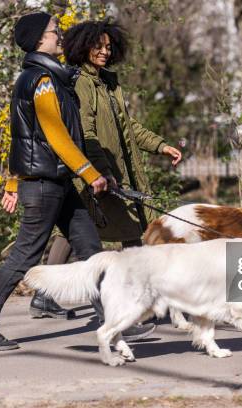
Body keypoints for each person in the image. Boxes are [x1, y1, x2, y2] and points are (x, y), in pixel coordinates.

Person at [0, 13, 151, 351]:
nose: (60, 35)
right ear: (39, 40)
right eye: (55, 31)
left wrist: (12, 181)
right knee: (24, 255)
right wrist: (92, 174)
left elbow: (22, 138)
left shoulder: (47, 78)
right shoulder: (42, 81)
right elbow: (57, 137)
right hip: (45, 185)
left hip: (57, 183)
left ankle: (114, 321)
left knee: (91, 251)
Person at [44, 19, 182, 288]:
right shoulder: (81, 83)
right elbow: (86, 134)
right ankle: (133, 291)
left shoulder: (107, 83)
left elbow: (128, 128)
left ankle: (46, 295)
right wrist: (100, 171)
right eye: (98, 46)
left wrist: (160, 145)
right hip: (98, 171)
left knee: (82, 228)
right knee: (103, 227)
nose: (104, 51)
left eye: (108, 46)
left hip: (115, 170)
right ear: (83, 46)